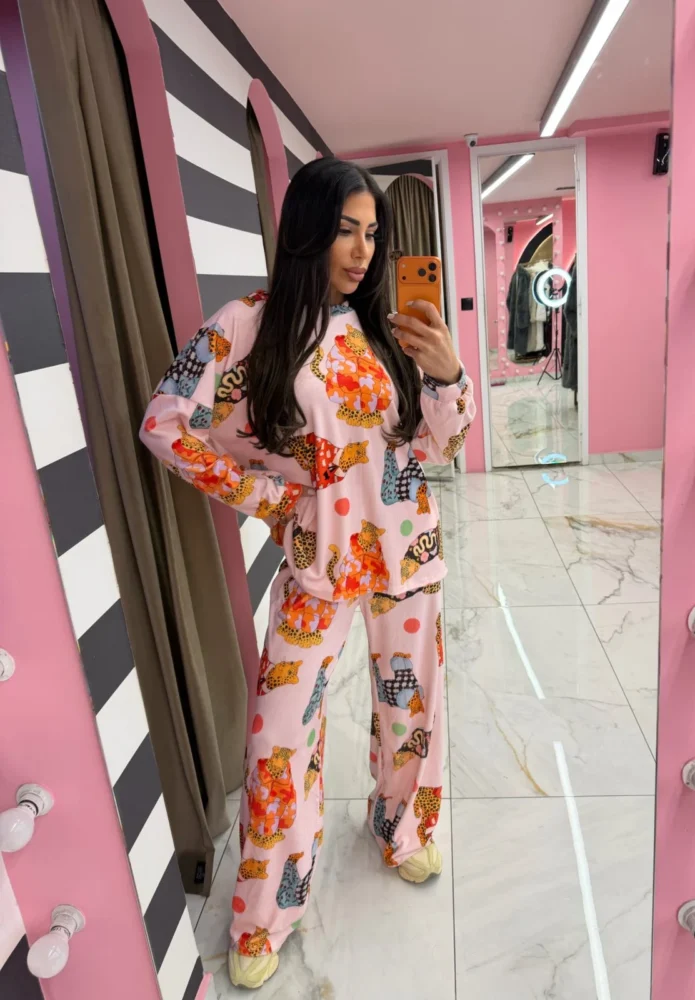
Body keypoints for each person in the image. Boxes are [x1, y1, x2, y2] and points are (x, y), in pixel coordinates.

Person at [140, 157, 475, 989]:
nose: (362, 251)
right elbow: (166, 423)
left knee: (412, 710)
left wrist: (448, 377)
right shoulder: (249, 325)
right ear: (306, 231)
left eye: (372, 233)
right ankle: (266, 911)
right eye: (344, 230)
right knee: (280, 740)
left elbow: (437, 447)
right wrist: (265, 496)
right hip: (316, 564)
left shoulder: (387, 330)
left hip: (405, 553)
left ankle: (403, 826)